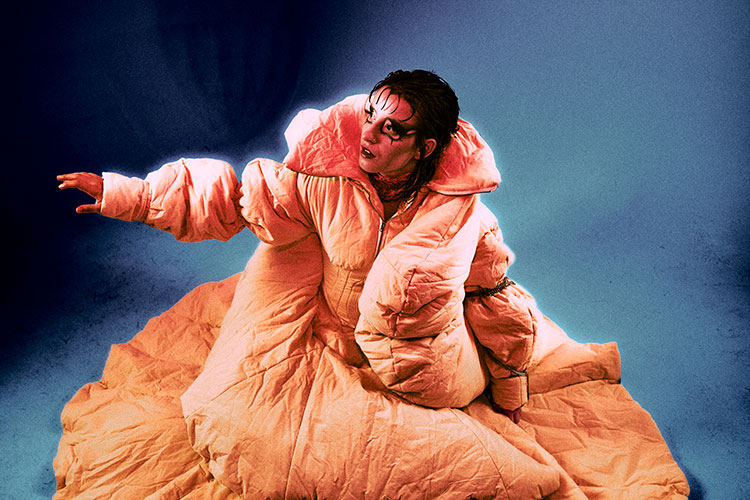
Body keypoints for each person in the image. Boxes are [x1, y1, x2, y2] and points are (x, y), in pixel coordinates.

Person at [55, 70, 689, 499]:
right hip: (320, 326)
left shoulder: (462, 218)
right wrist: (124, 194)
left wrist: (510, 385)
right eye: (370, 117)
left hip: (421, 353)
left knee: (441, 463)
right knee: (245, 427)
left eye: (393, 129)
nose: (370, 135)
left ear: (425, 147)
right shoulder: (323, 179)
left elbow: (491, 295)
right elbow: (233, 197)